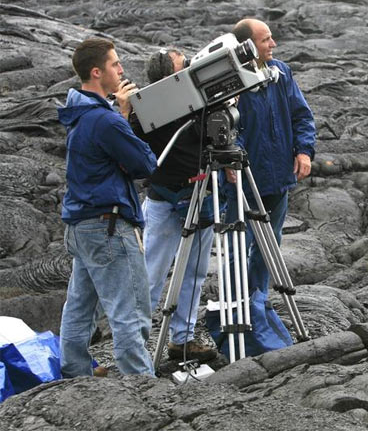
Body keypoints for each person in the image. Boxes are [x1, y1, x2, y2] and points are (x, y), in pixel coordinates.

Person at [211, 18, 316, 357]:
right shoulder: (230, 82)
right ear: (247, 45)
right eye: (267, 39)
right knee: (238, 251)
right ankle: (235, 311)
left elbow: (302, 115)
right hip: (243, 182)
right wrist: (230, 161)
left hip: (278, 180)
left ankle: (257, 304)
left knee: (270, 247)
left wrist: (304, 150)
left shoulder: (280, 73)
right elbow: (227, 128)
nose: (274, 45)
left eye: (272, 38)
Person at [57, 37, 157, 377]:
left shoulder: (78, 111)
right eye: (116, 64)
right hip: (108, 227)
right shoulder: (106, 120)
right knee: (129, 310)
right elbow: (145, 164)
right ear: (97, 72)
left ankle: (74, 375)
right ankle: (144, 388)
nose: (122, 69)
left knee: (80, 307)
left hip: (81, 226)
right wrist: (125, 113)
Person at [131, 48, 217, 363]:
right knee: (151, 275)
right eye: (183, 65)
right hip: (166, 198)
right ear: (171, 76)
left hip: (196, 192)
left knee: (192, 272)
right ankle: (136, 347)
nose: (190, 68)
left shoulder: (193, 101)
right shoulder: (148, 110)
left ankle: (183, 339)